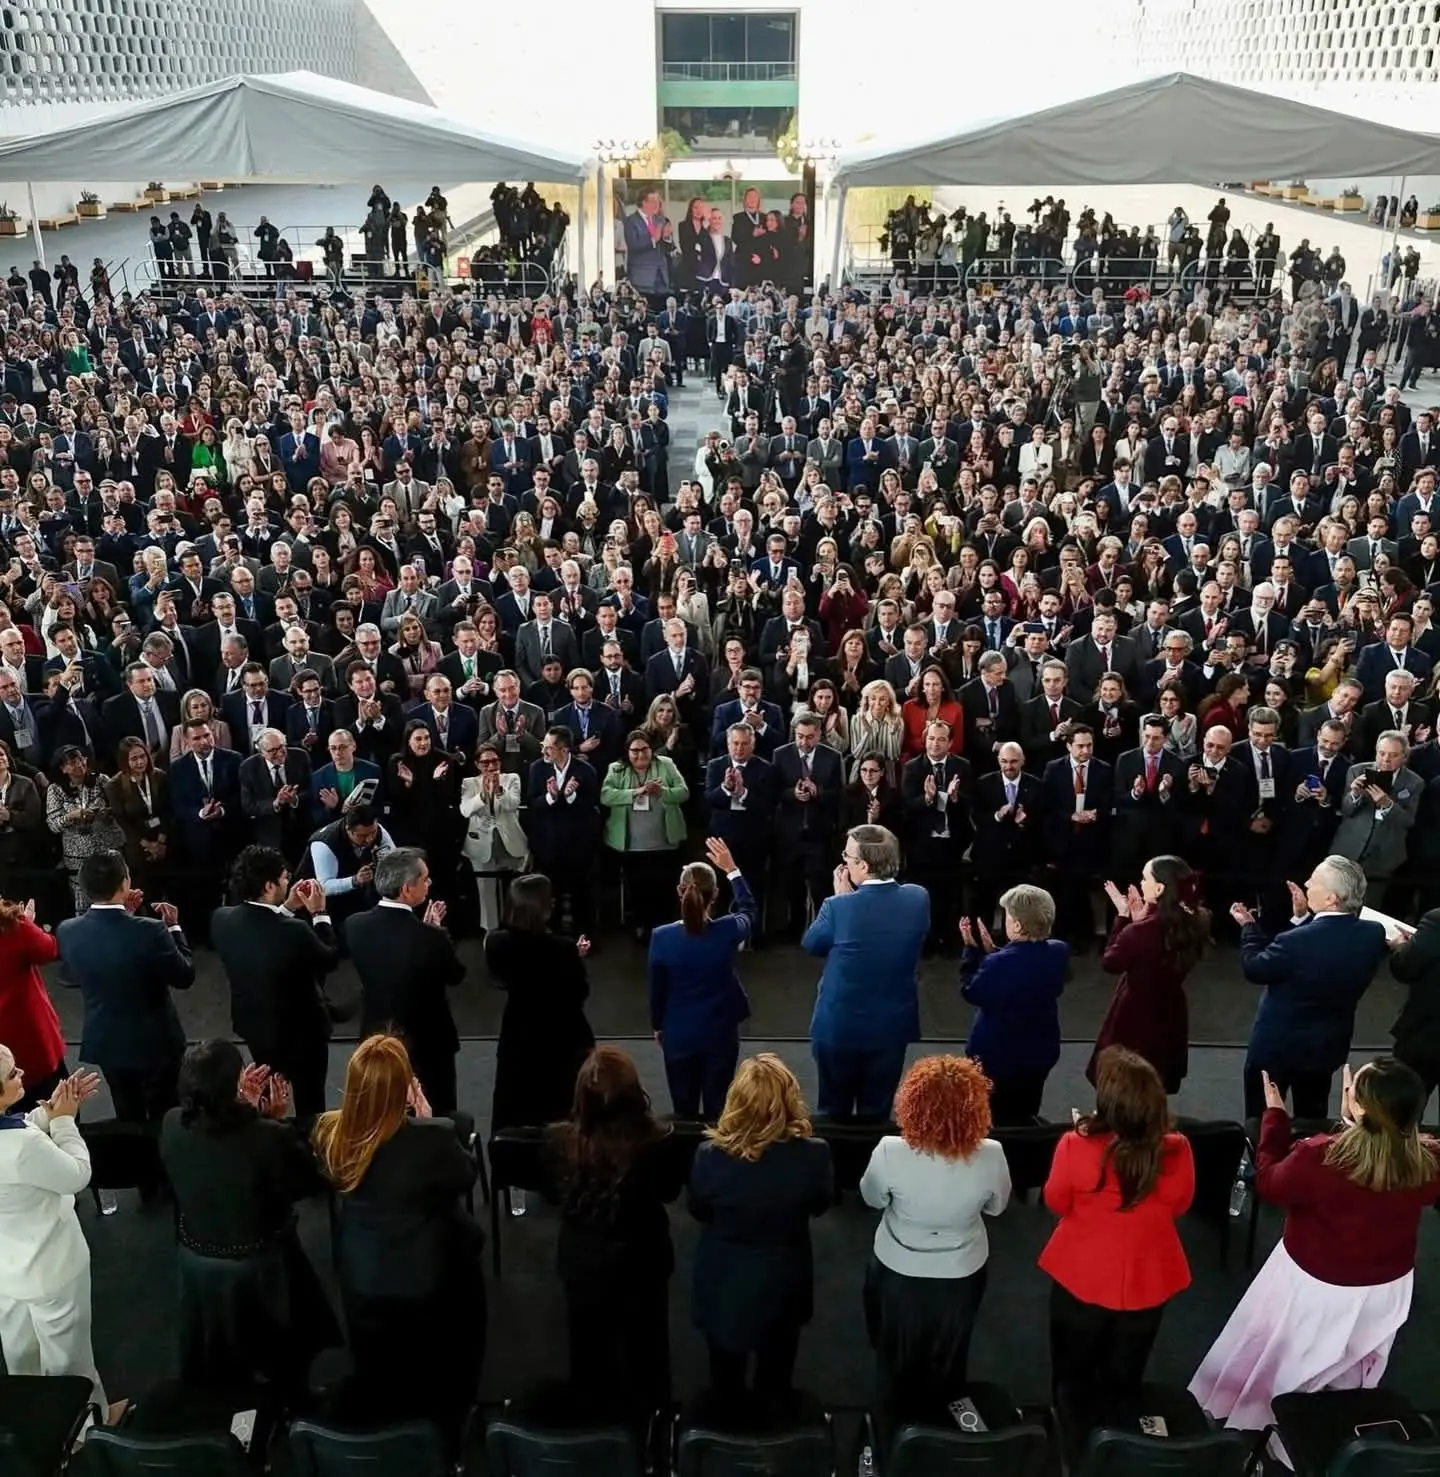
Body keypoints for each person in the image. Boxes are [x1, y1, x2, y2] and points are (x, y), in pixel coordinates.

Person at [1191, 1058, 1440, 1439]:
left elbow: (1270, 1183)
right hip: (1386, 1289)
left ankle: (1264, 1421)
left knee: (1290, 1357)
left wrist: (1275, 1119)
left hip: (1317, 1286)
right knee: (1349, 1362)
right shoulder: (1427, 1160)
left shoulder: (1321, 1156)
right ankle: (1326, 1429)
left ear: (1361, 1107)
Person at [312, 1035, 483, 1448]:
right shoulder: (434, 1137)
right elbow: (465, 1176)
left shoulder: (330, 1134)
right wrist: (427, 1118)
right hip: (424, 1280)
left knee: (379, 1371)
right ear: (403, 1088)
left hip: (362, 1276)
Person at [159, 1040, 336, 1393]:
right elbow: (305, 1183)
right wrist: (270, 1120)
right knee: (284, 1361)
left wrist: (249, 1115)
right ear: (232, 1087)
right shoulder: (268, 1136)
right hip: (261, 1265)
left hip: (197, 1261)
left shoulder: (172, 1123)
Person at [860, 1055, 1011, 1425]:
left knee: (893, 1353)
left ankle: (892, 1429)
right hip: (962, 1272)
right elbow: (997, 1208)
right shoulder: (991, 1154)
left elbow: (872, 1199)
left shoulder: (889, 1150)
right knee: (949, 1356)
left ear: (911, 1103)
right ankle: (941, 1433)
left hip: (897, 1269)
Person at [1039, 1047, 1194, 1407]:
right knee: (1124, 1379)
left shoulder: (1074, 1145)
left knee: (1070, 1376)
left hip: (1080, 1278)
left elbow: (1056, 1203)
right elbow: (1180, 1206)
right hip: (1147, 1281)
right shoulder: (1178, 1149)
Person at [548, 1047, 688, 1427]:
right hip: (642, 1260)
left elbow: (555, 1191)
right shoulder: (661, 1140)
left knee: (587, 1351)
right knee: (648, 1350)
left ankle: (594, 1432)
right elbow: (670, 1191)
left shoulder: (558, 1141)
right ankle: (653, 1432)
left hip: (582, 1262)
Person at [688, 1055, 833, 1409]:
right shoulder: (815, 1154)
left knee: (724, 1377)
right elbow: (819, 1205)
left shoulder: (709, 1155)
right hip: (785, 1278)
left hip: (723, 1278)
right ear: (789, 1100)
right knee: (777, 1374)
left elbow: (698, 1210)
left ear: (735, 1100)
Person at [0, 1051, 117, 1417]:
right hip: (51, 1267)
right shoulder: (22, 1149)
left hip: (7, 1270)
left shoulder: (17, 1139)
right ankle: (87, 1428)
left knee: (21, 1356)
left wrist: (46, 1114)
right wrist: (65, 1121)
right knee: (69, 1360)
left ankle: (34, 1424)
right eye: (11, 1074)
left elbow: (16, 1129)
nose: (22, 1072)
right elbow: (77, 1174)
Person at [1231, 856, 1389, 1119]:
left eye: (1314, 881)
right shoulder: (1373, 934)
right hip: (1326, 1046)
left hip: (1276, 1047)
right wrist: (1303, 917)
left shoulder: (1295, 942)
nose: (1306, 884)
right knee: (1313, 1118)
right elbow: (1322, 944)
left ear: (1331, 898)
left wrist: (1249, 927)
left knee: (1263, 1117)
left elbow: (1255, 967)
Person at [57, 849, 194, 1132]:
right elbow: (184, 975)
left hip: (108, 1042)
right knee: (164, 1117)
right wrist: (174, 928)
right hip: (156, 1044)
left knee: (127, 1118)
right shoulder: (152, 930)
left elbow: (76, 973)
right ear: (124, 883)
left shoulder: (67, 930)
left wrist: (127, 916)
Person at [805, 824, 929, 1119]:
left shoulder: (837, 906)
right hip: (891, 1028)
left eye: (847, 856)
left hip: (840, 1028)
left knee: (832, 1112)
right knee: (877, 1114)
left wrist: (843, 898)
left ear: (862, 865)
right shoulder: (918, 897)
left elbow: (812, 944)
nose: (844, 862)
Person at [210, 846, 339, 1124]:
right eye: (283, 878)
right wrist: (319, 913)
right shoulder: (294, 931)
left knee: (266, 1094)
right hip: (303, 1034)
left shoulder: (222, 919)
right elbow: (329, 958)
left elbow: (264, 934)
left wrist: (287, 908)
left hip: (256, 1027)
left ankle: (268, 1135)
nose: (288, 881)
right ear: (269, 886)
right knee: (311, 1102)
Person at [346, 847, 466, 1116]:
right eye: (425, 878)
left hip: (378, 1039)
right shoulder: (431, 937)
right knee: (436, 1113)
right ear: (407, 889)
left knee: (381, 1112)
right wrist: (436, 931)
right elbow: (455, 975)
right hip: (428, 1044)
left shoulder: (354, 926)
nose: (429, 883)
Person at [648, 837, 756, 1119]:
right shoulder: (728, 930)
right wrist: (732, 869)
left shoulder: (661, 937)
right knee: (718, 1112)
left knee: (683, 1110)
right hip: (720, 1034)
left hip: (679, 1034)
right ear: (715, 894)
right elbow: (748, 910)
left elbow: (657, 991)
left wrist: (658, 1025)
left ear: (679, 891)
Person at [483, 873, 595, 1131]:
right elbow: (579, 992)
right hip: (562, 1036)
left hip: (519, 1034)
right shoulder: (563, 948)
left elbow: (511, 969)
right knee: (562, 1106)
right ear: (545, 907)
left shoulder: (496, 943)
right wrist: (573, 957)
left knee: (518, 1104)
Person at [1090, 856, 1210, 1094]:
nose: (1141, 883)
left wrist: (1123, 917)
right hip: (1170, 1011)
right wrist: (1140, 919)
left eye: (1145, 879)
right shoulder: (1195, 921)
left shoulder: (1139, 932)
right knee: (1155, 1081)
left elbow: (1110, 962)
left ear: (1159, 888)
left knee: (1126, 1083)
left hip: (1136, 1014)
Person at [958, 884, 1068, 1125]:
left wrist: (972, 952)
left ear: (1017, 925)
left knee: (994, 1115)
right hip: (1040, 1052)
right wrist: (995, 953)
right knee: (1026, 1108)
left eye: (1007, 916)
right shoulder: (1059, 951)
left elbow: (972, 991)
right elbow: (1026, 965)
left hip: (998, 1057)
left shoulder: (998, 964)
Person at [601, 728, 690, 943]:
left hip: (664, 842)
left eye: (644, 749)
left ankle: (665, 929)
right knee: (638, 889)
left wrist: (662, 792)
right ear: (627, 752)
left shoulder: (666, 764)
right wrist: (636, 792)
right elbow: (606, 796)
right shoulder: (616, 769)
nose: (640, 754)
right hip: (632, 845)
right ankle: (641, 927)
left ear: (652, 750)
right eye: (635, 751)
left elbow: (684, 792)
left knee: (663, 889)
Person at [0, 896, 64, 1109]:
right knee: (55, 1108)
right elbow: (49, 949)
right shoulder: (10, 924)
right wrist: (27, 924)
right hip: (28, 1039)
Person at [459, 742, 528, 935]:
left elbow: (512, 804)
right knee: (486, 893)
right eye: (485, 763)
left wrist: (498, 791)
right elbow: (465, 810)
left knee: (515, 892)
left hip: (509, 842)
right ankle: (490, 935)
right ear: (477, 764)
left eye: (495, 761)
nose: (491, 766)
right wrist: (482, 795)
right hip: (481, 845)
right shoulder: (469, 783)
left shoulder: (512, 778)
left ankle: (517, 932)